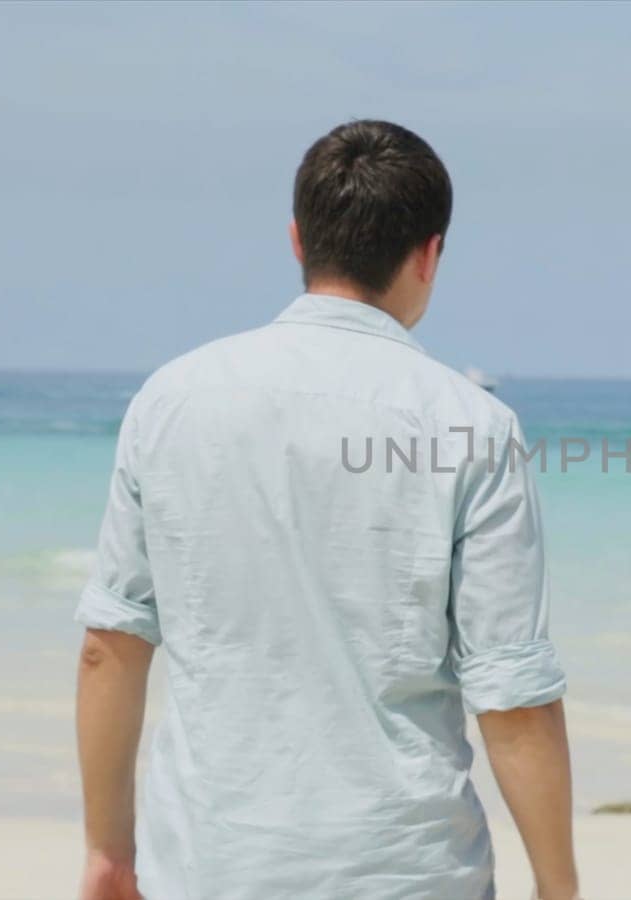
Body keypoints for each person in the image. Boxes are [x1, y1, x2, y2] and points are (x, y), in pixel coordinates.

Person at [74, 120, 579, 900]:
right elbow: (511, 697)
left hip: (208, 864)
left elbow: (111, 645)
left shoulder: (171, 400)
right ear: (430, 253)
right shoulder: (471, 425)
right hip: (406, 871)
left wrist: (110, 853)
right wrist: (559, 885)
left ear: (297, 240)